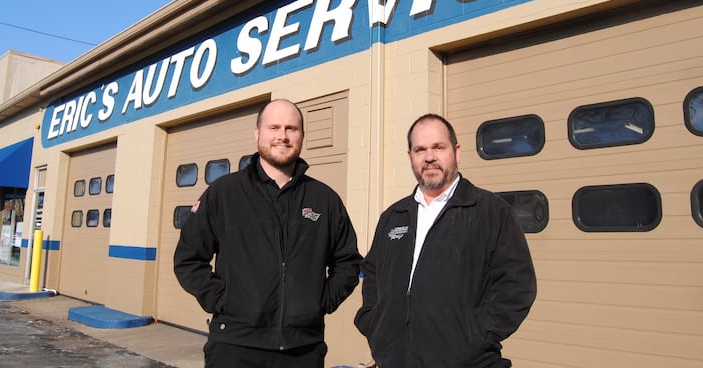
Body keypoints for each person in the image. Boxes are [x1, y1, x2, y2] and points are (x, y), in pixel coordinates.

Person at [174, 99, 362, 368]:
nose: (282, 136)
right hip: (234, 347)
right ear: (257, 133)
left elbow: (348, 262)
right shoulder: (224, 193)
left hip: (303, 350)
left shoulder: (325, 200)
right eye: (274, 127)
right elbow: (188, 259)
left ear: (302, 136)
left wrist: (320, 302)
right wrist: (223, 300)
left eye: (291, 128)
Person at [355, 113, 537, 368]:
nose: (429, 157)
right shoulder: (394, 217)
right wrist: (374, 324)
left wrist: (475, 338)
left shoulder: (490, 211)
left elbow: (517, 285)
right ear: (410, 157)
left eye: (438, 147)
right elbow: (372, 274)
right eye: (420, 149)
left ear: (456, 152)